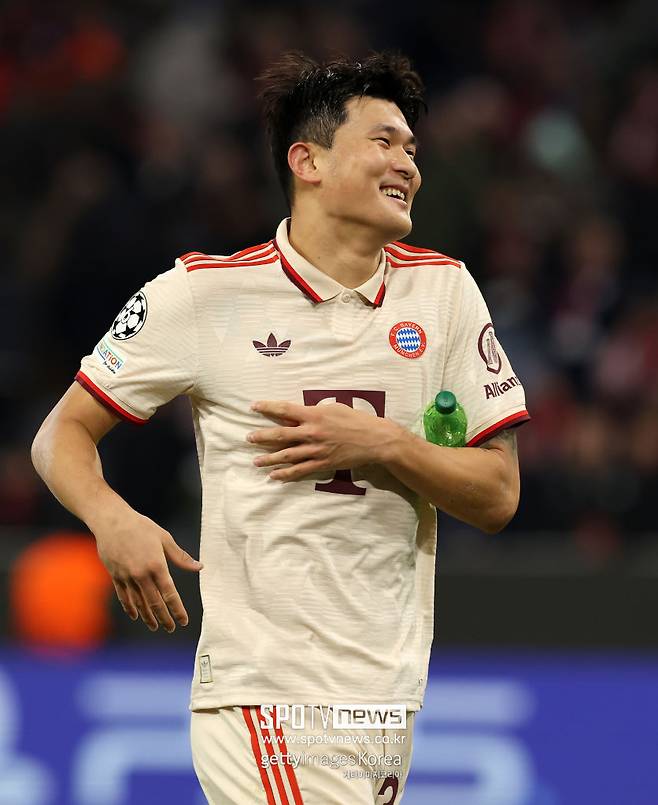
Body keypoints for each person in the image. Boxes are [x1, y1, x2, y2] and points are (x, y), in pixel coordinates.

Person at [31, 51, 529, 804]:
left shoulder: (445, 292)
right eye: (383, 142)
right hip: (265, 692)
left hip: (387, 694)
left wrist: (384, 442)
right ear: (309, 161)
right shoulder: (202, 295)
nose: (408, 165)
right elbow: (60, 434)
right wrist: (111, 517)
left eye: (412, 149)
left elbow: (497, 495)